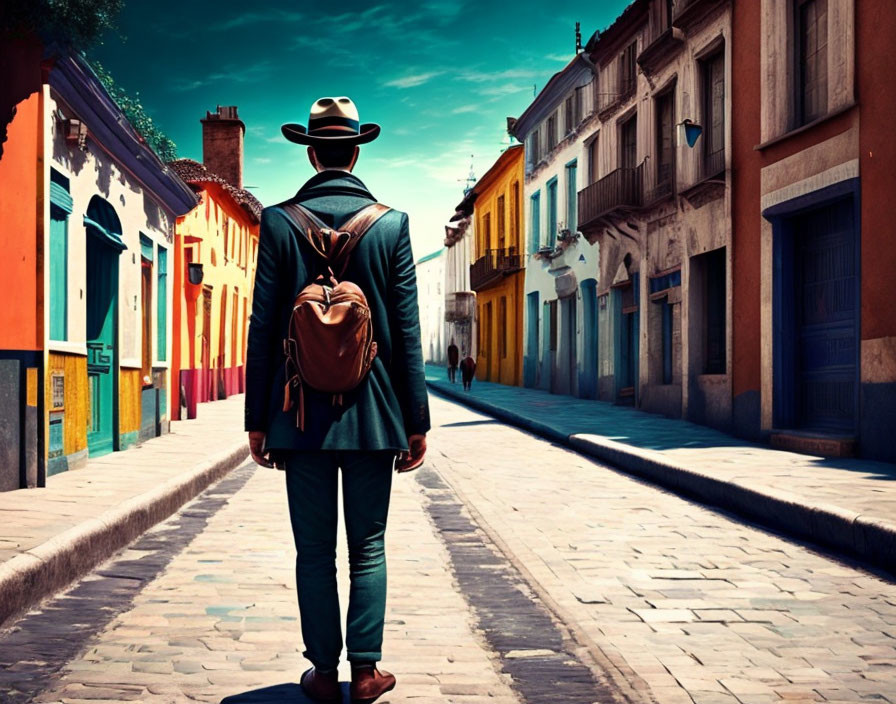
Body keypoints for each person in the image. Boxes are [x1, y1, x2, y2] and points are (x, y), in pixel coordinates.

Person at [244, 96, 430, 704]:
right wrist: (416, 419)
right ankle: (367, 671)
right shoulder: (393, 224)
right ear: (355, 150)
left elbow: (264, 324)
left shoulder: (277, 222)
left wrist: (257, 418)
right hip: (376, 414)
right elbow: (404, 329)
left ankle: (323, 674)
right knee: (368, 546)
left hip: (298, 415)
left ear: (310, 150)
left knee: (313, 550)